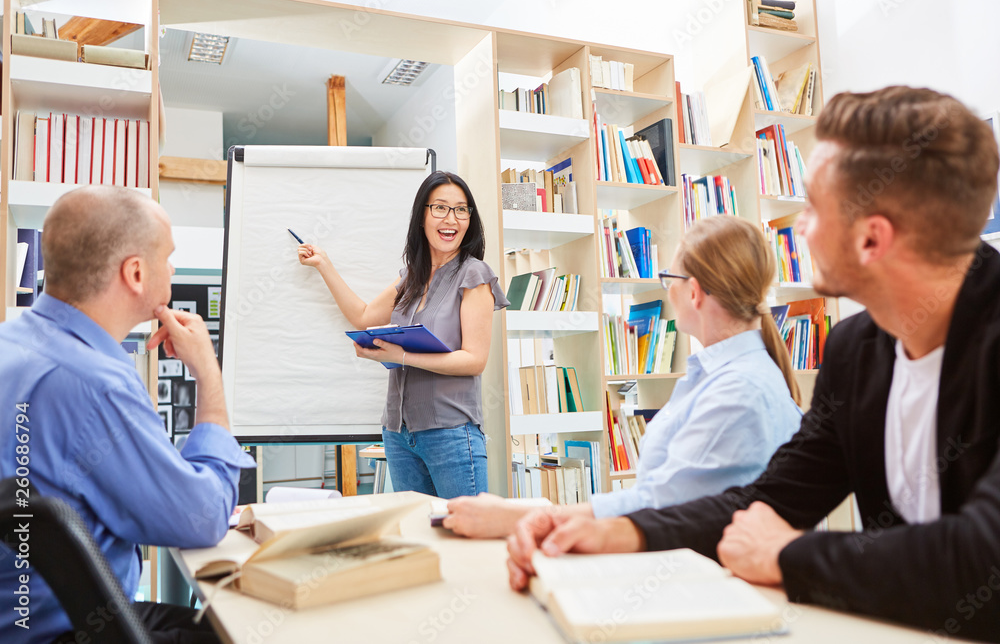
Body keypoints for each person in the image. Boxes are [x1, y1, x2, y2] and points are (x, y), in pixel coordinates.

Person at [507, 87, 1000, 641]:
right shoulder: (855, 350)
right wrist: (612, 531)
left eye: (813, 207)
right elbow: (766, 501)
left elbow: (983, 559)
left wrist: (789, 555)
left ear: (870, 239)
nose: (800, 227)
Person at [0, 186, 255, 644]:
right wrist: (208, 373)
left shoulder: (10, 344)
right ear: (136, 273)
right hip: (64, 630)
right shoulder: (94, 383)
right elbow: (203, 518)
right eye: (169, 257)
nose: (173, 268)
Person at [443, 215, 802, 538]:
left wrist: (519, 517)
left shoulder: (738, 390)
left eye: (668, 279)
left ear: (693, 292)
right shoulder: (731, 375)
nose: (667, 290)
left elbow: (657, 507)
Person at [298, 171, 508, 497]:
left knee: (465, 540)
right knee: (418, 536)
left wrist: (402, 356)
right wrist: (324, 264)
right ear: (422, 216)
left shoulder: (474, 274)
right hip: (398, 434)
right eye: (440, 208)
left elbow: (474, 360)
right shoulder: (412, 277)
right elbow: (363, 316)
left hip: (450, 433)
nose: (451, 218)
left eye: (461, 209)